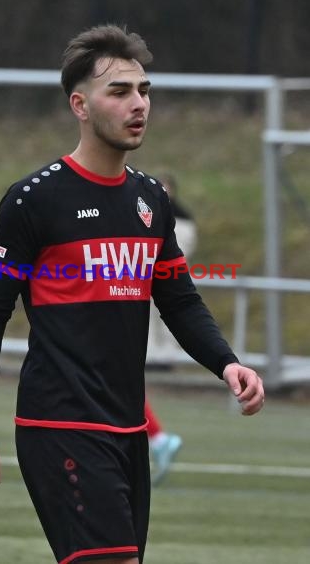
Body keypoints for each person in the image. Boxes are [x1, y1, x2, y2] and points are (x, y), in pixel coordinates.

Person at [0, 24, 265, 564]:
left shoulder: (150, 200)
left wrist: (226, 363)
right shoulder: (34, 200)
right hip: (61, 424)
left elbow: (180, 300)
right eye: (118, 92)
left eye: (143, 90)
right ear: (80, 104)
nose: (137, 103)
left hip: (128, 428)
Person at [146, 174, 198, 486]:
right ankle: (157, 439)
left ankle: (158, 439)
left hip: (152, 286)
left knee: (108, 378)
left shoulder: (177, 219)